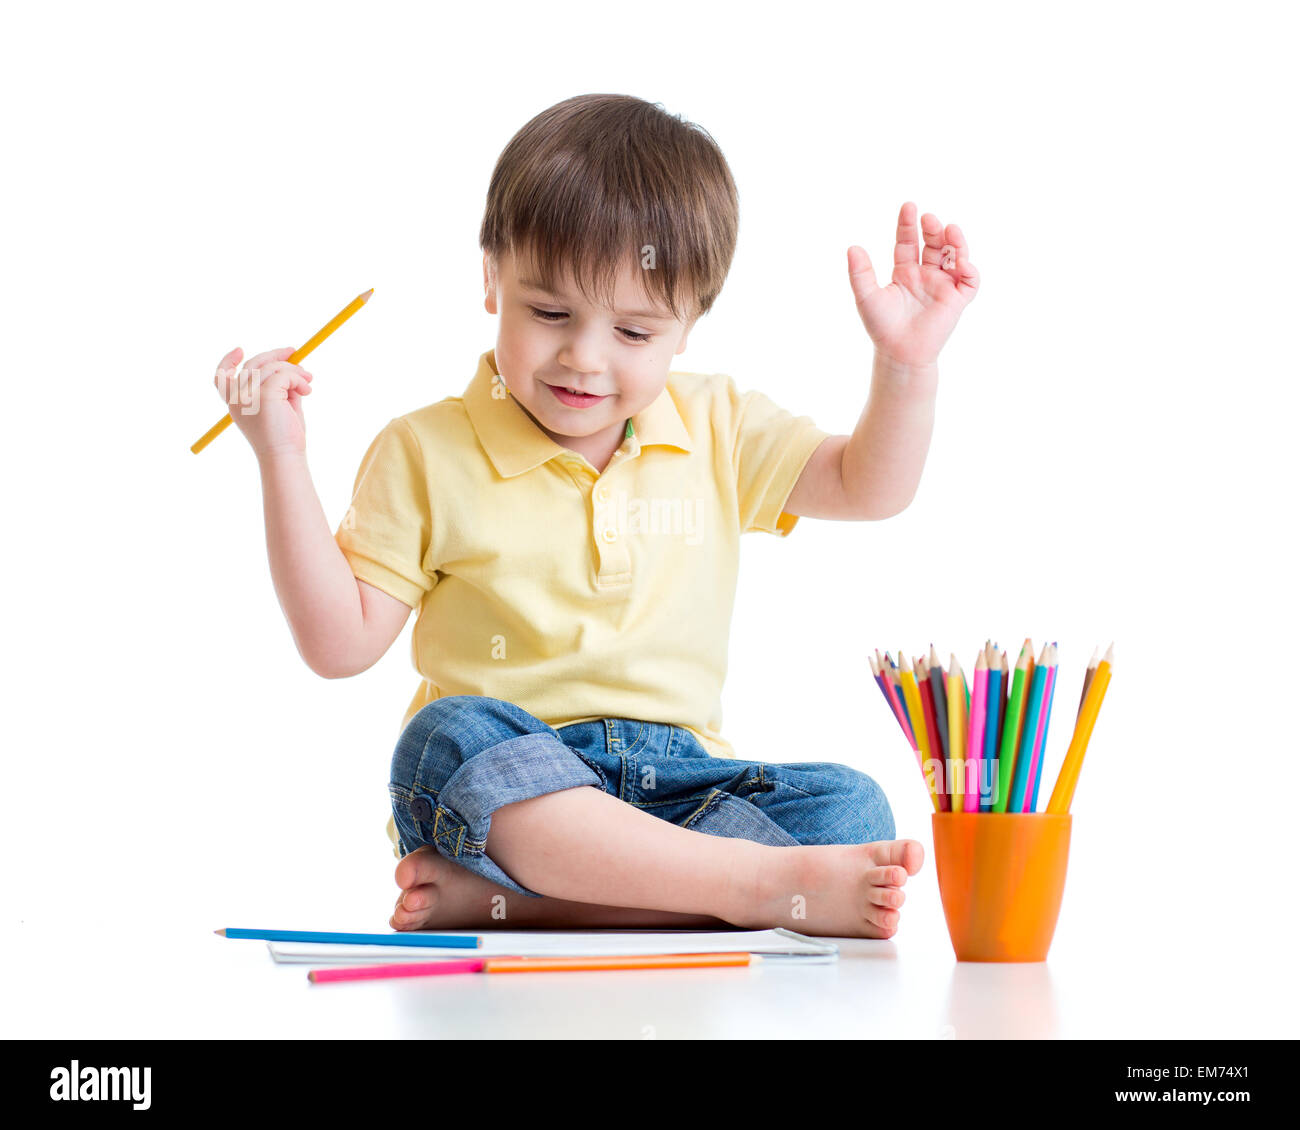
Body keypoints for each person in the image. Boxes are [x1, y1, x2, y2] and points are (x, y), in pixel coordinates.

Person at [213, 93, 978, 938]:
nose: (584, 357)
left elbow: (871, 487)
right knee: (447, 734)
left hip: (681, 795)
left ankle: (554, 906)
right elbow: (338, 645)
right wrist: (279, 457)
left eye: (634, 331)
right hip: (507, 793)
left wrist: (906, 366)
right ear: (491, 276)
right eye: (549, 314)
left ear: (689, 326)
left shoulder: (718, 425)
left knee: (852, 811)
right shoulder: (424, 449)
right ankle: (746, 889)